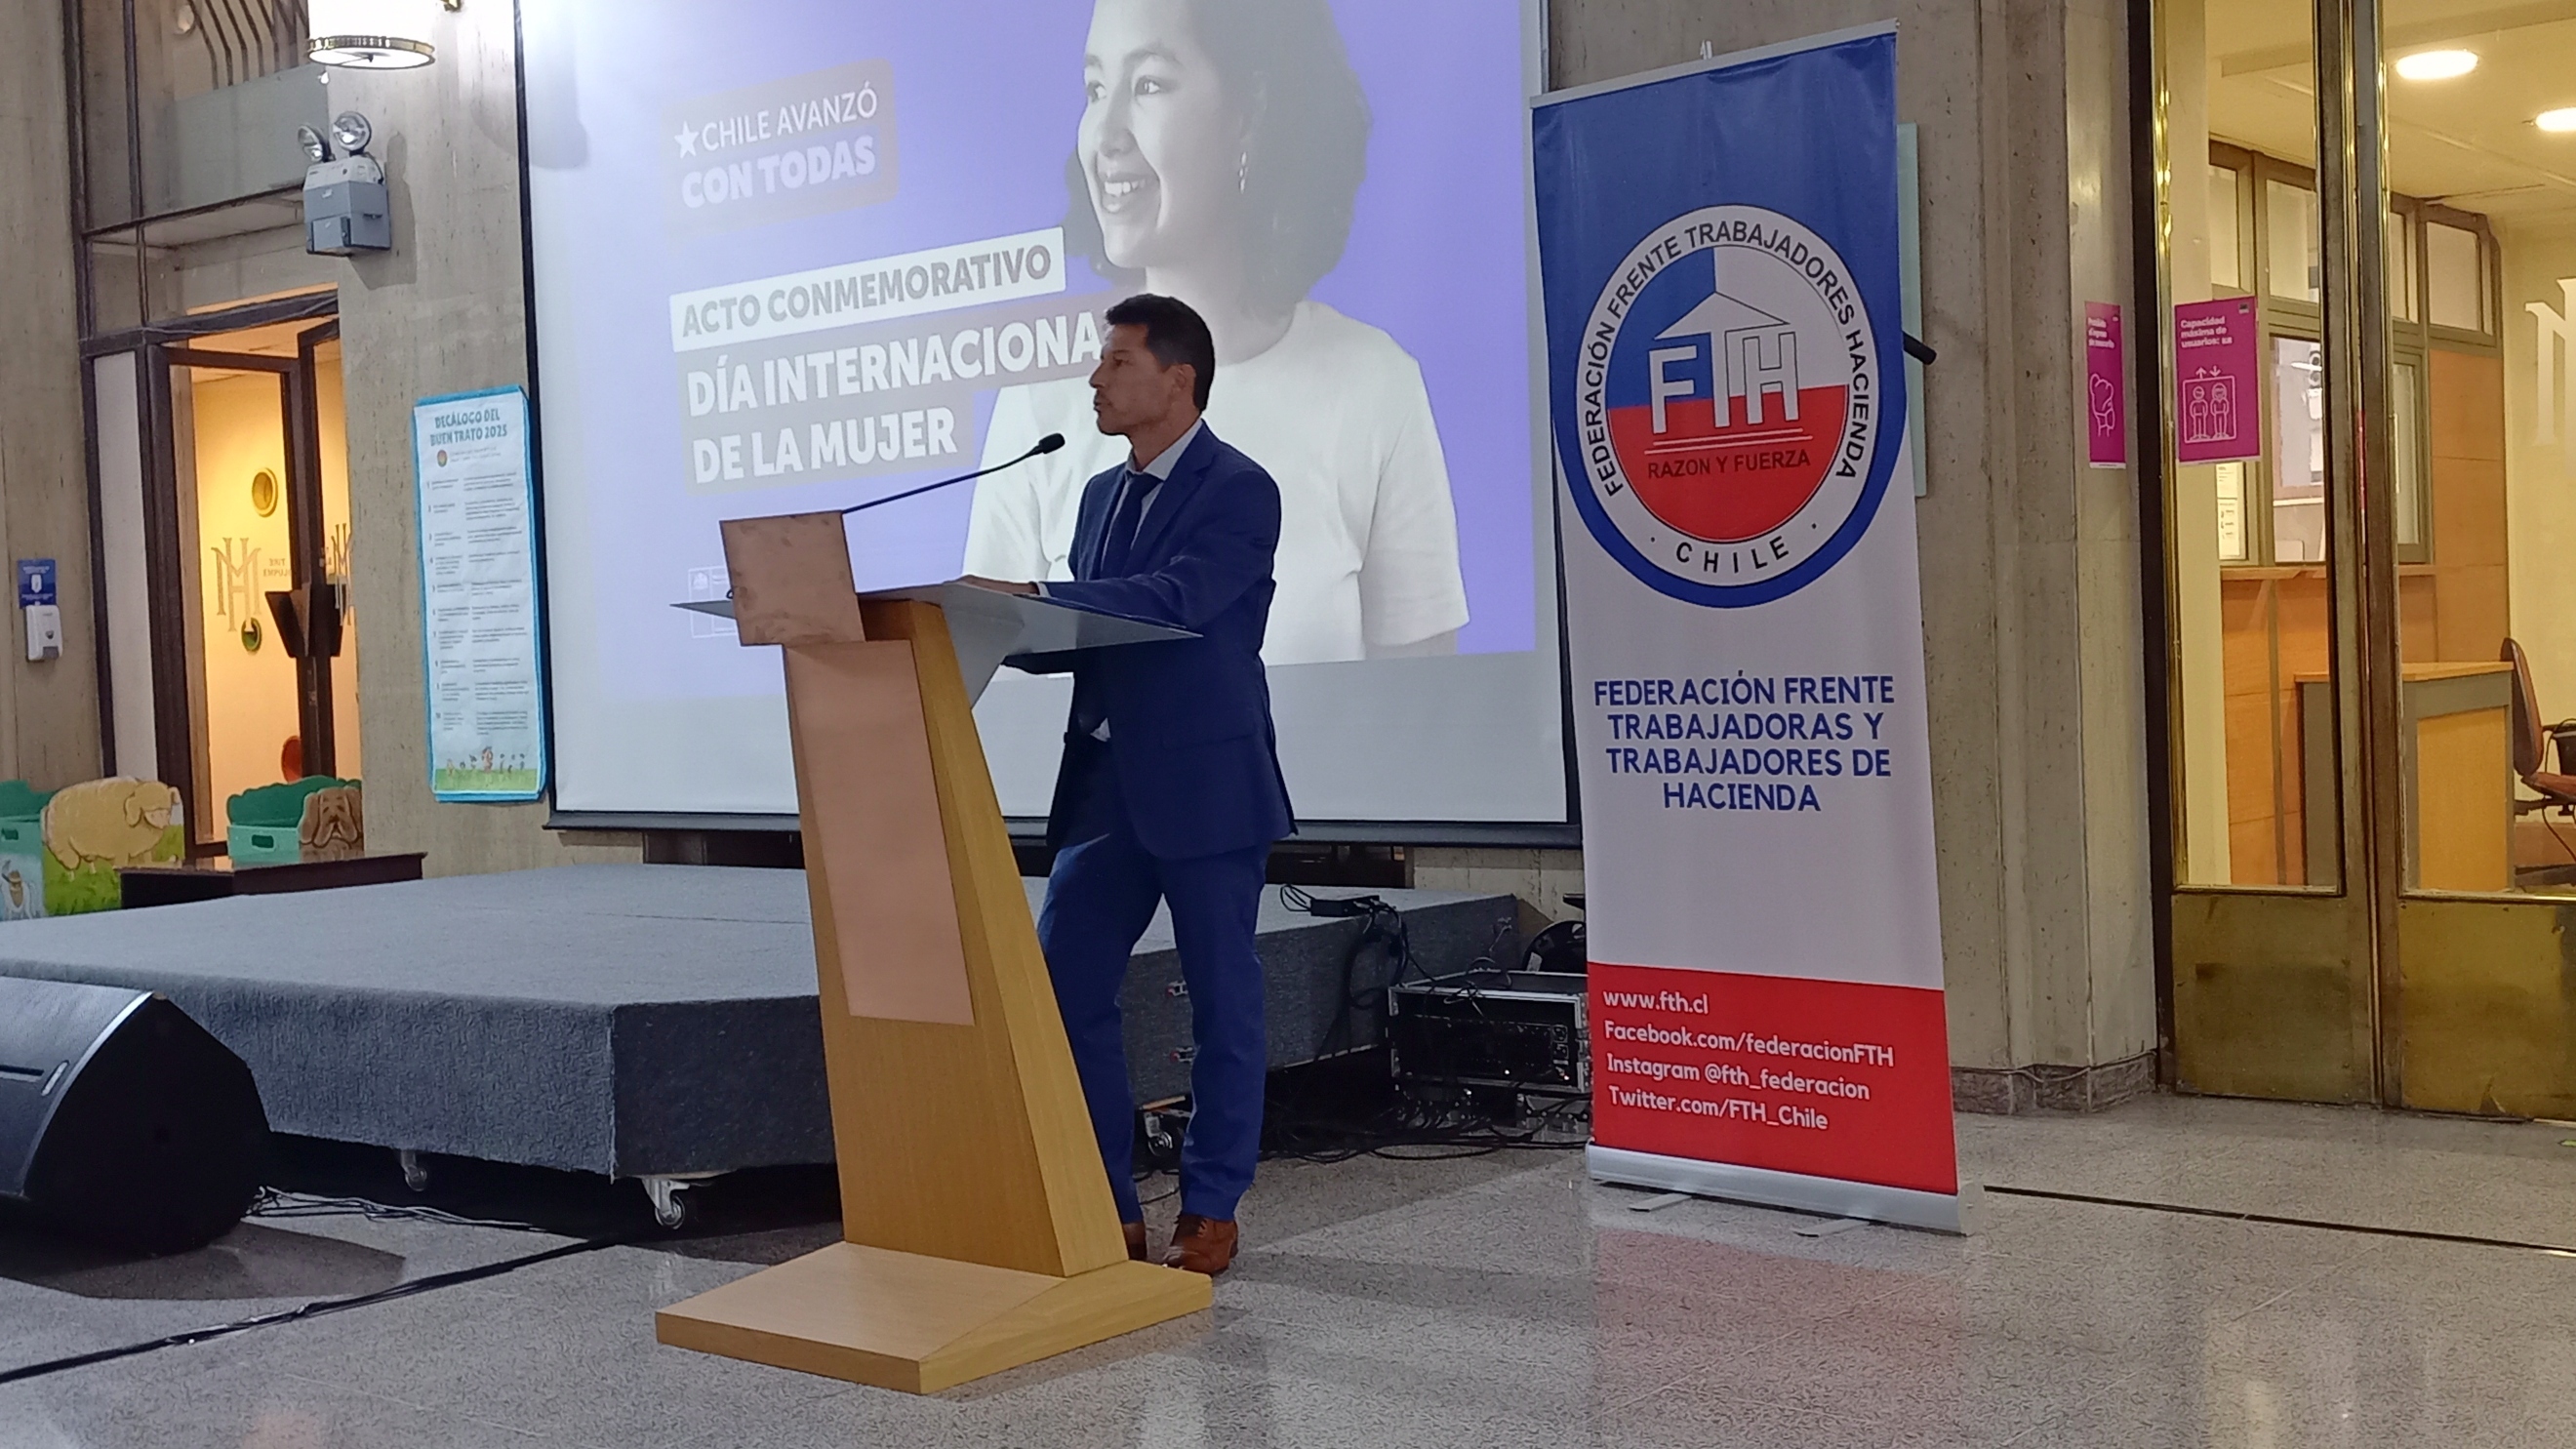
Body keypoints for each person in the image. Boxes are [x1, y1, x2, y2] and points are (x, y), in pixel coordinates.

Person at [965, 0, 1469, 665]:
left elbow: (1426, 698)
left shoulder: (1372, 384)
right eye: (1095, 89)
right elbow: (989, 675)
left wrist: (1051, 600)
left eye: (1149, 83)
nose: (1105, 135)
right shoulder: (1040, 410)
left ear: (1250, 113)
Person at [963, 293, 1292, 1276]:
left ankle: (1211, 1205)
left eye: (1116, 362)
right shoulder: (1100, 494)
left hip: (1206, 782)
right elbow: (1088, 635)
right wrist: (985, 625)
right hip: (1105, 785)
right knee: (1061, 989)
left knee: (1222, 999)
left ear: (1177, 379)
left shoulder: (1242, 488)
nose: (1096, 379)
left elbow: (1175, 600)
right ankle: (1104, 1205)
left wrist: (1039, 594)